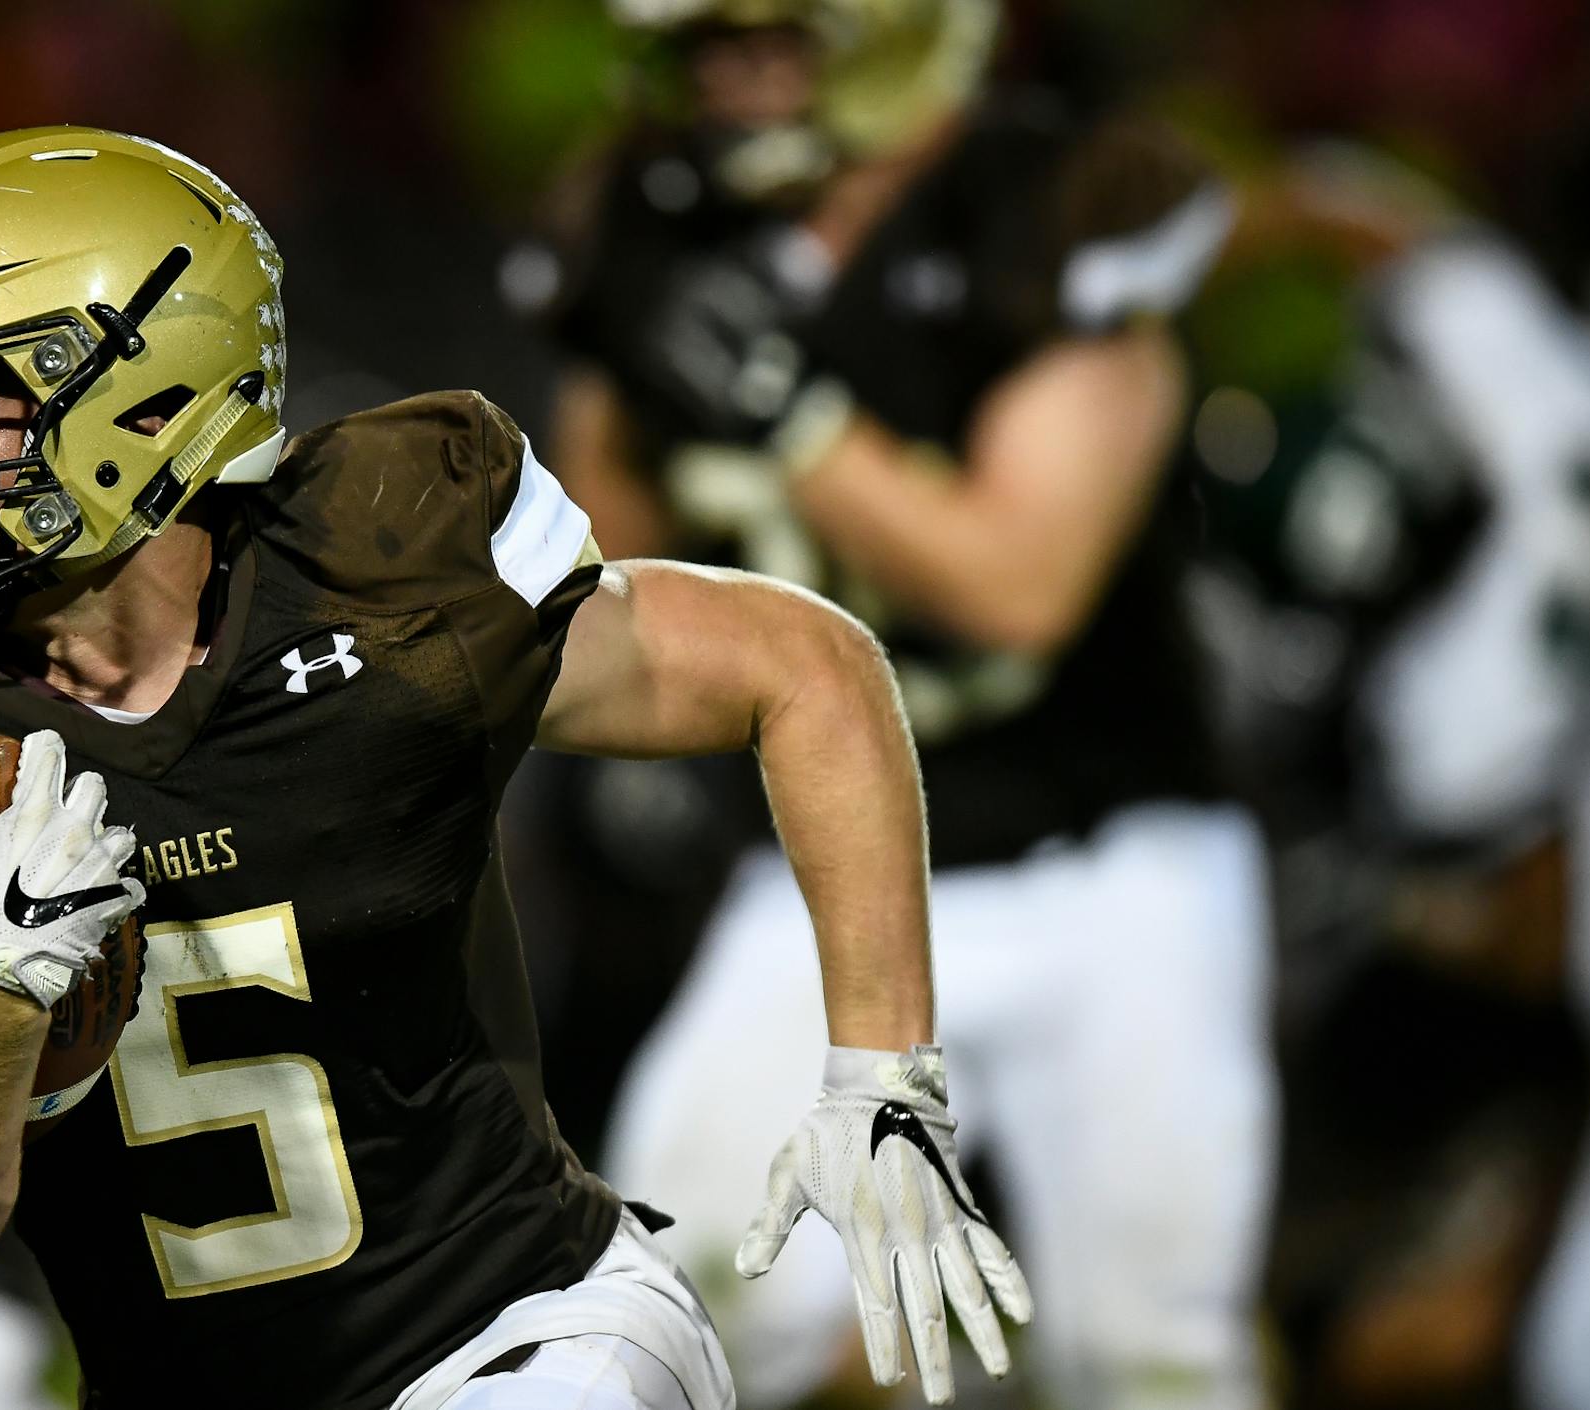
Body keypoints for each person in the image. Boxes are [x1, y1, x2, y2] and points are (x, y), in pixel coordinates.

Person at [0, 125, 1031, 1410]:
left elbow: (803, 665)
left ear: (141, 410)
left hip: (525, 1332)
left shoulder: (380, 572)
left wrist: (879, 1067)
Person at [515, 3, 1275, 1406]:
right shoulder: (638, 213)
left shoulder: (1061, 203)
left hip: (1106, 850)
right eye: (708, 43)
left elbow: (1021, 583)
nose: (736, 75)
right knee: (671, 1321)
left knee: (1153, 1354)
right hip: (831, 856)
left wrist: (788, 414)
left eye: (778, 34)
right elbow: (604, 565)